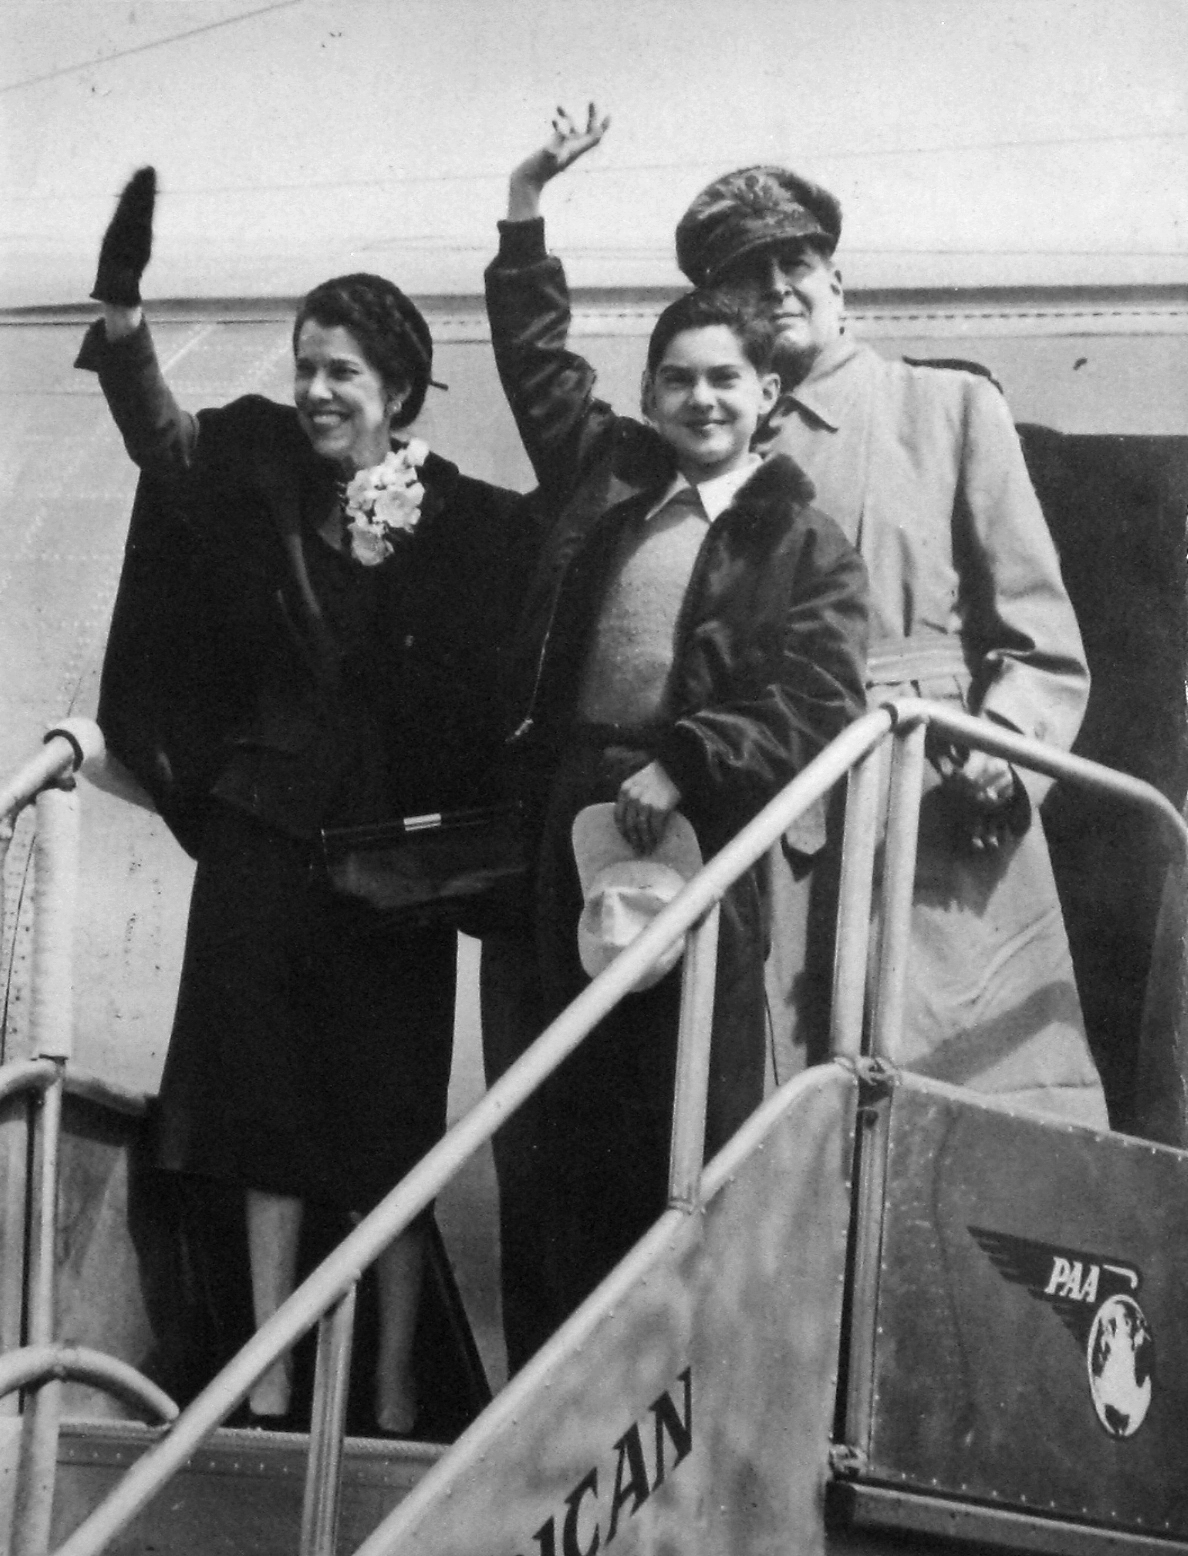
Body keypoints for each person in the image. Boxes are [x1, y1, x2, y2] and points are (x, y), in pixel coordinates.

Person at [78, 168, 534, 1432]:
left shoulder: (464, 521)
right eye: (305, 364)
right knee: (259, 1119)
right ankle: (272, 1375)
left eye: (342, 370)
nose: (317, 389)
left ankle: (389, 1385)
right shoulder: (260, 464)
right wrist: (123, 317)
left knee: (384, 1126)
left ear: (396, 387)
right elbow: (163, 441)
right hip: (264, 840)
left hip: (391, 864)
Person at [480, 110, 869, 1367]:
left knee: (678, 1115)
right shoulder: (614, 480)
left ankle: (669, 1381)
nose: (700, 399)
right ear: (650, 394)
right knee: (550, 1110)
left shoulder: (799, 540)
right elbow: (539, 364)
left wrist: (688, 756)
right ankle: (548, 1396)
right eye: (677, 379)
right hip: (569, 826)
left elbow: (815, 697)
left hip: (694, 836)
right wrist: (526, 203)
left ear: (769, 399)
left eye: (725, 381)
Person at [672, 161, 1109, 1126]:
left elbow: (1042, 645)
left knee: (970, 1104)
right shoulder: (716, 449)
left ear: (840, 285)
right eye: (749, 272)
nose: (779, 285)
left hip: (936, 803)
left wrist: (1005, 754)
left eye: (799, 260)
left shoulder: (948, 408)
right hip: (777, 809)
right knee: (782, 1112)